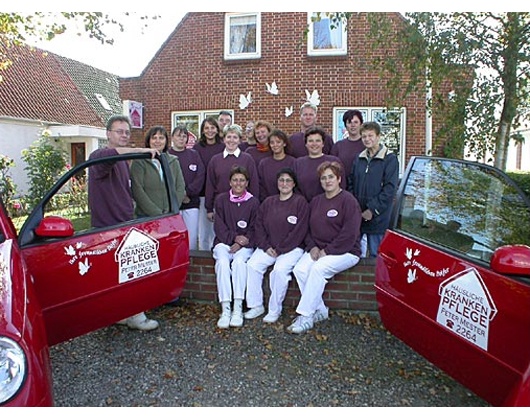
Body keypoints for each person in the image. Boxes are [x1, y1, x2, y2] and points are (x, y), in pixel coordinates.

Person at [88, 115, 160, 331]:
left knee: (123, 273)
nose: (124, 135)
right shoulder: (99, 156)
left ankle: (122, 313)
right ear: (108, 133)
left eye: (127, 132)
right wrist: (143, 151)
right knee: (130, 272)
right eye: (119, 131)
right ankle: (136, 316)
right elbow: (112, 153)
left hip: (124, 225)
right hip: (108, 228)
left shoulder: (121, 163)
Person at [288, 161, 362, 334]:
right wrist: (312, 246)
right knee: (300, 269)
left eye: (331, 177)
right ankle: (320, 310)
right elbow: (307, 228)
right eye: (323, 178)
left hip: (346, 251)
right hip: (318, 249)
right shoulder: (315, 202)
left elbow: (349, 234)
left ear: (338, 179)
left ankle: (306, 317)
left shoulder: (348, 201)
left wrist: (327, 251)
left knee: (318, 269)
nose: (327, 181)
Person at [245, 168, 309, 323]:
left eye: (288, 180)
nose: (284, 183)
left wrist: (281, 249)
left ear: (294, 184)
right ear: (277, 183)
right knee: (253, 265)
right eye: (281, 180)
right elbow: (258, 226)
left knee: (279, 271)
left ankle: (274, 310)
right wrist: (266, 246)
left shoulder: (300, 202)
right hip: (269, 247)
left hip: (291, 248)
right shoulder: (268, 202)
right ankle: (256, 305)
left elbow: (300, 231)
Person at [212, 166, 260, 328]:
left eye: (241, 180)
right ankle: (226, 308)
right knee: (223, 264)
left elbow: (255, 227)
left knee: (240, 263)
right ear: (230, 182)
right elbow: (219, 225)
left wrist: (241, 242)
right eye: (235, 180)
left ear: (247, 182)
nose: (238, 183)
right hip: (224, 243)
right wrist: (233, 238)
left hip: (245, 244)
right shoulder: (221, 200)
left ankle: (238, 307)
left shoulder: (253, 202)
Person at [348, 121, 399, 258]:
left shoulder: (390, 159)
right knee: (357, 256)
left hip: (378, 218)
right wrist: (355, 207)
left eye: (370, 136)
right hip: (359, 216)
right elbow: (351, 182)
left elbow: (390, 189)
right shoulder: (359, 159)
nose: (367, 139)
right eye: (364, 136)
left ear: (378, 136)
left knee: (377, 258)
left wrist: (372, 210)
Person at [205, 124, 259, 230]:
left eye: (235, 137)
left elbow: (254, 183)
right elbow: (210, 185)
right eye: (228, 137)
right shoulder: (215, 160)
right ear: (224, 139)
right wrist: (209, 208)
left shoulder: (247, 159)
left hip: (244, 206)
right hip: (221, 207)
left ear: (239, 140)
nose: (231, 140)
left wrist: (254, 205)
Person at [130, 126, 185, 218]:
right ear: (148, 141)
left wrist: (172, 209)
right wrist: (157, 213)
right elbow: (137, 190)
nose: (157, 141)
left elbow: (180, 187)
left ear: (166, 141)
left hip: (170, 215)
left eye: (161, 138)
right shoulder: (139, 161)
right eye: (154, 138)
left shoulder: (173, 161)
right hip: (145, 216)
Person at [169, 125, 206, 251]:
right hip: (172, 205)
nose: (181, 138)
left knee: (191, 238)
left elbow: (200, 176)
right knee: (174, 239)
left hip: (191, 203)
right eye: (178, 135)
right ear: (172, 137)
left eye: (184, 136)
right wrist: (179, 196)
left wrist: (187, 193)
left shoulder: (194, 155)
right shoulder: (166, 155)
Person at [193, 117, 225, 251]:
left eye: (212, 127)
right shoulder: (197, 148)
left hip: (219, 194)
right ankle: (204, 255)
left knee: (218, 229)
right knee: (204, 229)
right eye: (206, 128)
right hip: (202, 193)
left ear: (217, 130)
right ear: (202, 130)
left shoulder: (223, 147)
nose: (210, 131)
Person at [293, 126, 345, 203]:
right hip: (305, 206)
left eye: (317, 141)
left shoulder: (334, 161)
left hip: (330, 205)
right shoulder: (298, 163)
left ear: (323, 143)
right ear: (306, 144)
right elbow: (294, 188)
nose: (314, 144)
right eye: (310, 141)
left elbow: (342, 185)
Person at [257, 129, 296, 202]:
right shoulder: (263, 164)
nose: (275, 145)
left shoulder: (293, 162)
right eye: (272, 142)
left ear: (284, 143)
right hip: (268, 204)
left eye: (278, 142)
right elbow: (260, 186)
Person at [330, 109, 365, 176]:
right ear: (345, 125)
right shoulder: (338, 146)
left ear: (361, 124)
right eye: (349, 122)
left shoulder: (366, 145)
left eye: (356, 122)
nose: (353, 125)